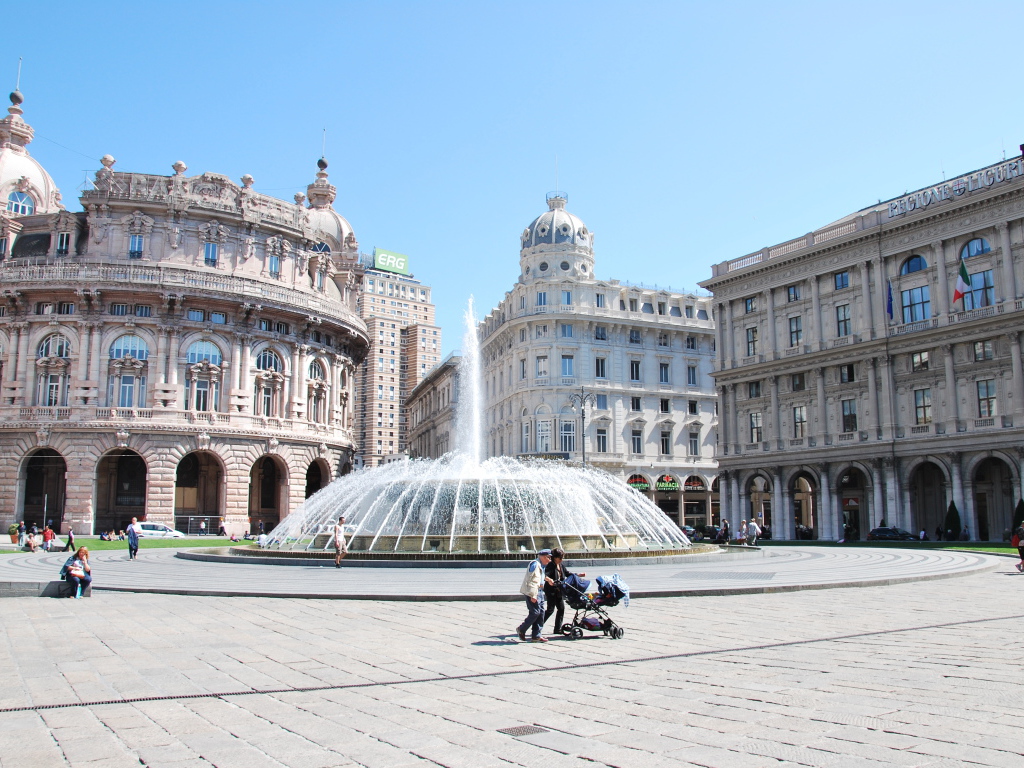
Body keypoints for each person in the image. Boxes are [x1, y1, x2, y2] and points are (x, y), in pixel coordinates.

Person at [543, 548, 585, 636]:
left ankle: (557, 629)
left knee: (561, 608)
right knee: (550, 609)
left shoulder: (561, 565)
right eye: (560, 558)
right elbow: (545, 575)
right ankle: (538, 626)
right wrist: (550, 580)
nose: (562, 559)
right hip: (551, 590)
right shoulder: (550, 565)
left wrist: (578, 574)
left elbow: (567, 573)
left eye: (562, 558)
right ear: (555, 557)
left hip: (559, 590)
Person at [516, 549, 553, 643]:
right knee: (535, 612)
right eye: (548, 558)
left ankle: (536, 635)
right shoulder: (535, 564)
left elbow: (540, 576)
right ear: (543, 557)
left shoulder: (540, 565)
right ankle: (521, 629)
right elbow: (532, 580)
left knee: (541, 613)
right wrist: (533, 595)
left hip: (539, 591)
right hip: (533, 592)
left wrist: (548, 579)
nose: (549, 560)